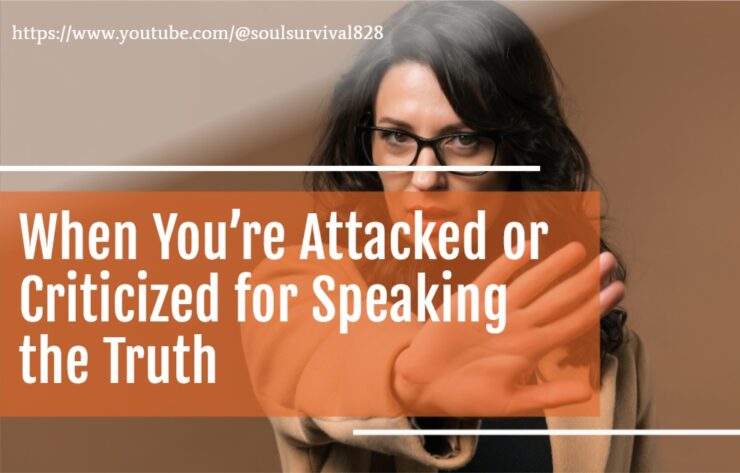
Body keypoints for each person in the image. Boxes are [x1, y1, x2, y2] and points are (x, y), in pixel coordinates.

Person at [245, 2, 656, 471]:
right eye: (397, 138)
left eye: (463, 141)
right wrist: (413, 382)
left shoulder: (611, 353)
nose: (425, 177)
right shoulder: (298, 288)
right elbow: (320, 369)